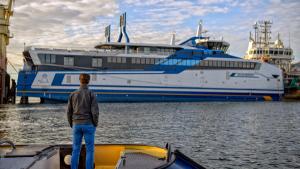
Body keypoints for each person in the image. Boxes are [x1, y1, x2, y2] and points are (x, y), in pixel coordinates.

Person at [67, 73, 99, 169]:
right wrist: (95, 124)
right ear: (88, 81)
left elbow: (69, 112)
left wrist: (72, 124)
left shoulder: (72, 94)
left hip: (76, 124)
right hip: (89, 124)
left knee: (76, 149)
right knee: (90, 150)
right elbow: (95, 112)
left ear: (79, 80)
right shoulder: (91, 94)